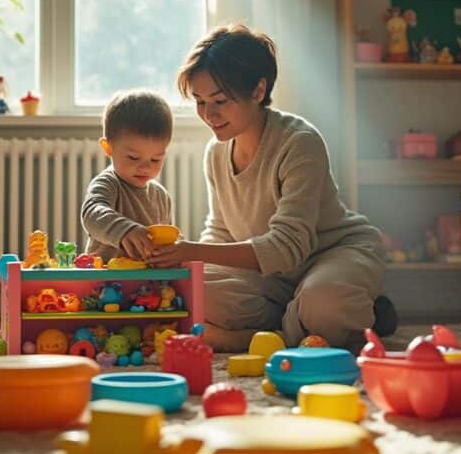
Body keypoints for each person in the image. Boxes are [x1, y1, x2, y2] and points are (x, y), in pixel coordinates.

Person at [147, 24, 396, 352]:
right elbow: (221, 232)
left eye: (220, 100)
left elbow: (287, 247)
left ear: (258, 90)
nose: (208, 114)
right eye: (199, 101)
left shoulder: (300, 142)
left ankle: (267, 335)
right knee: (189, 287)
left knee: (324, 303)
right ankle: (303, 322)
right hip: (271, 278)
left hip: (330, 255)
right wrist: (184, 262)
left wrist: (191, 250)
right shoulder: (216, 152)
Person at [81, 89, 174, 262]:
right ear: (108, 148)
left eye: (155, 159)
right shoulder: (108, 183)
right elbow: (91, 214)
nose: (145, 167)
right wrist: (125, 230)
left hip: (147, 276)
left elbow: (166, 240)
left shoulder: (161, 196)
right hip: (106, 274)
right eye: (133, 157)